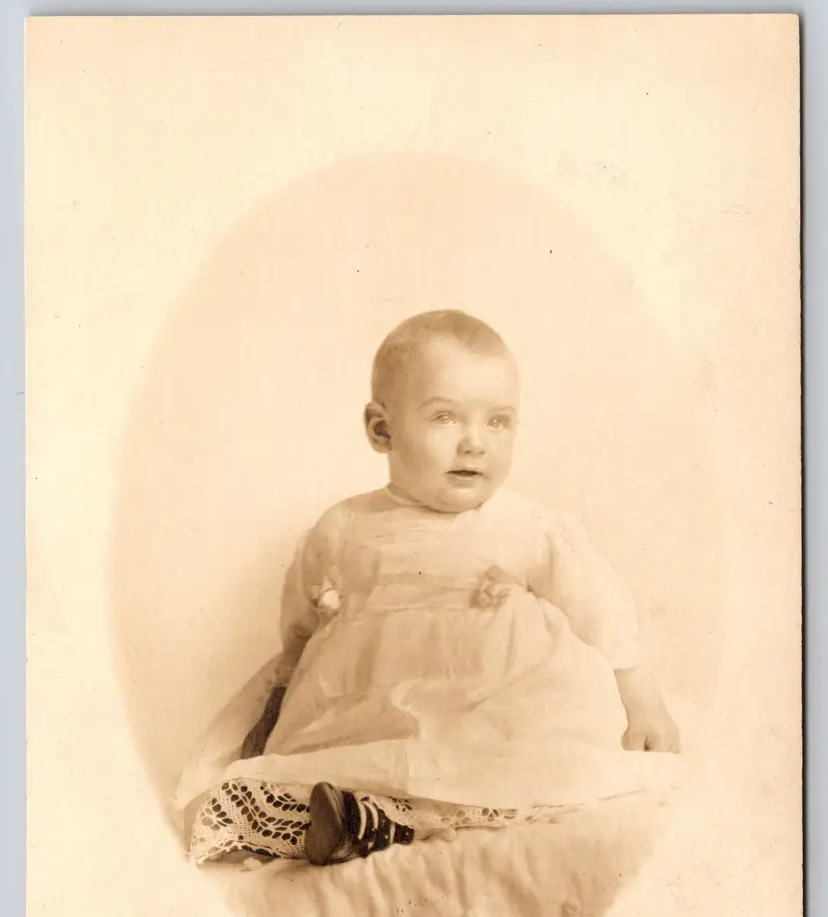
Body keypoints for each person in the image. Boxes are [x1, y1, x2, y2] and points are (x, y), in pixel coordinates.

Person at [173, 309, 681, 867]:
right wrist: (275, 706)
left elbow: (601, 608)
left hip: (491, 709)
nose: (475, 444)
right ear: (381, 430)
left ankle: (383, 823)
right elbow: (299, 629)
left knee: (512, 771)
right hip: (363, 714)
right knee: (308, 775)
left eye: (498, 422)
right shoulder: (341, 528)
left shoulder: (525, 526)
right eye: (445, 418)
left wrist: (643, 702)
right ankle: (356, 820)